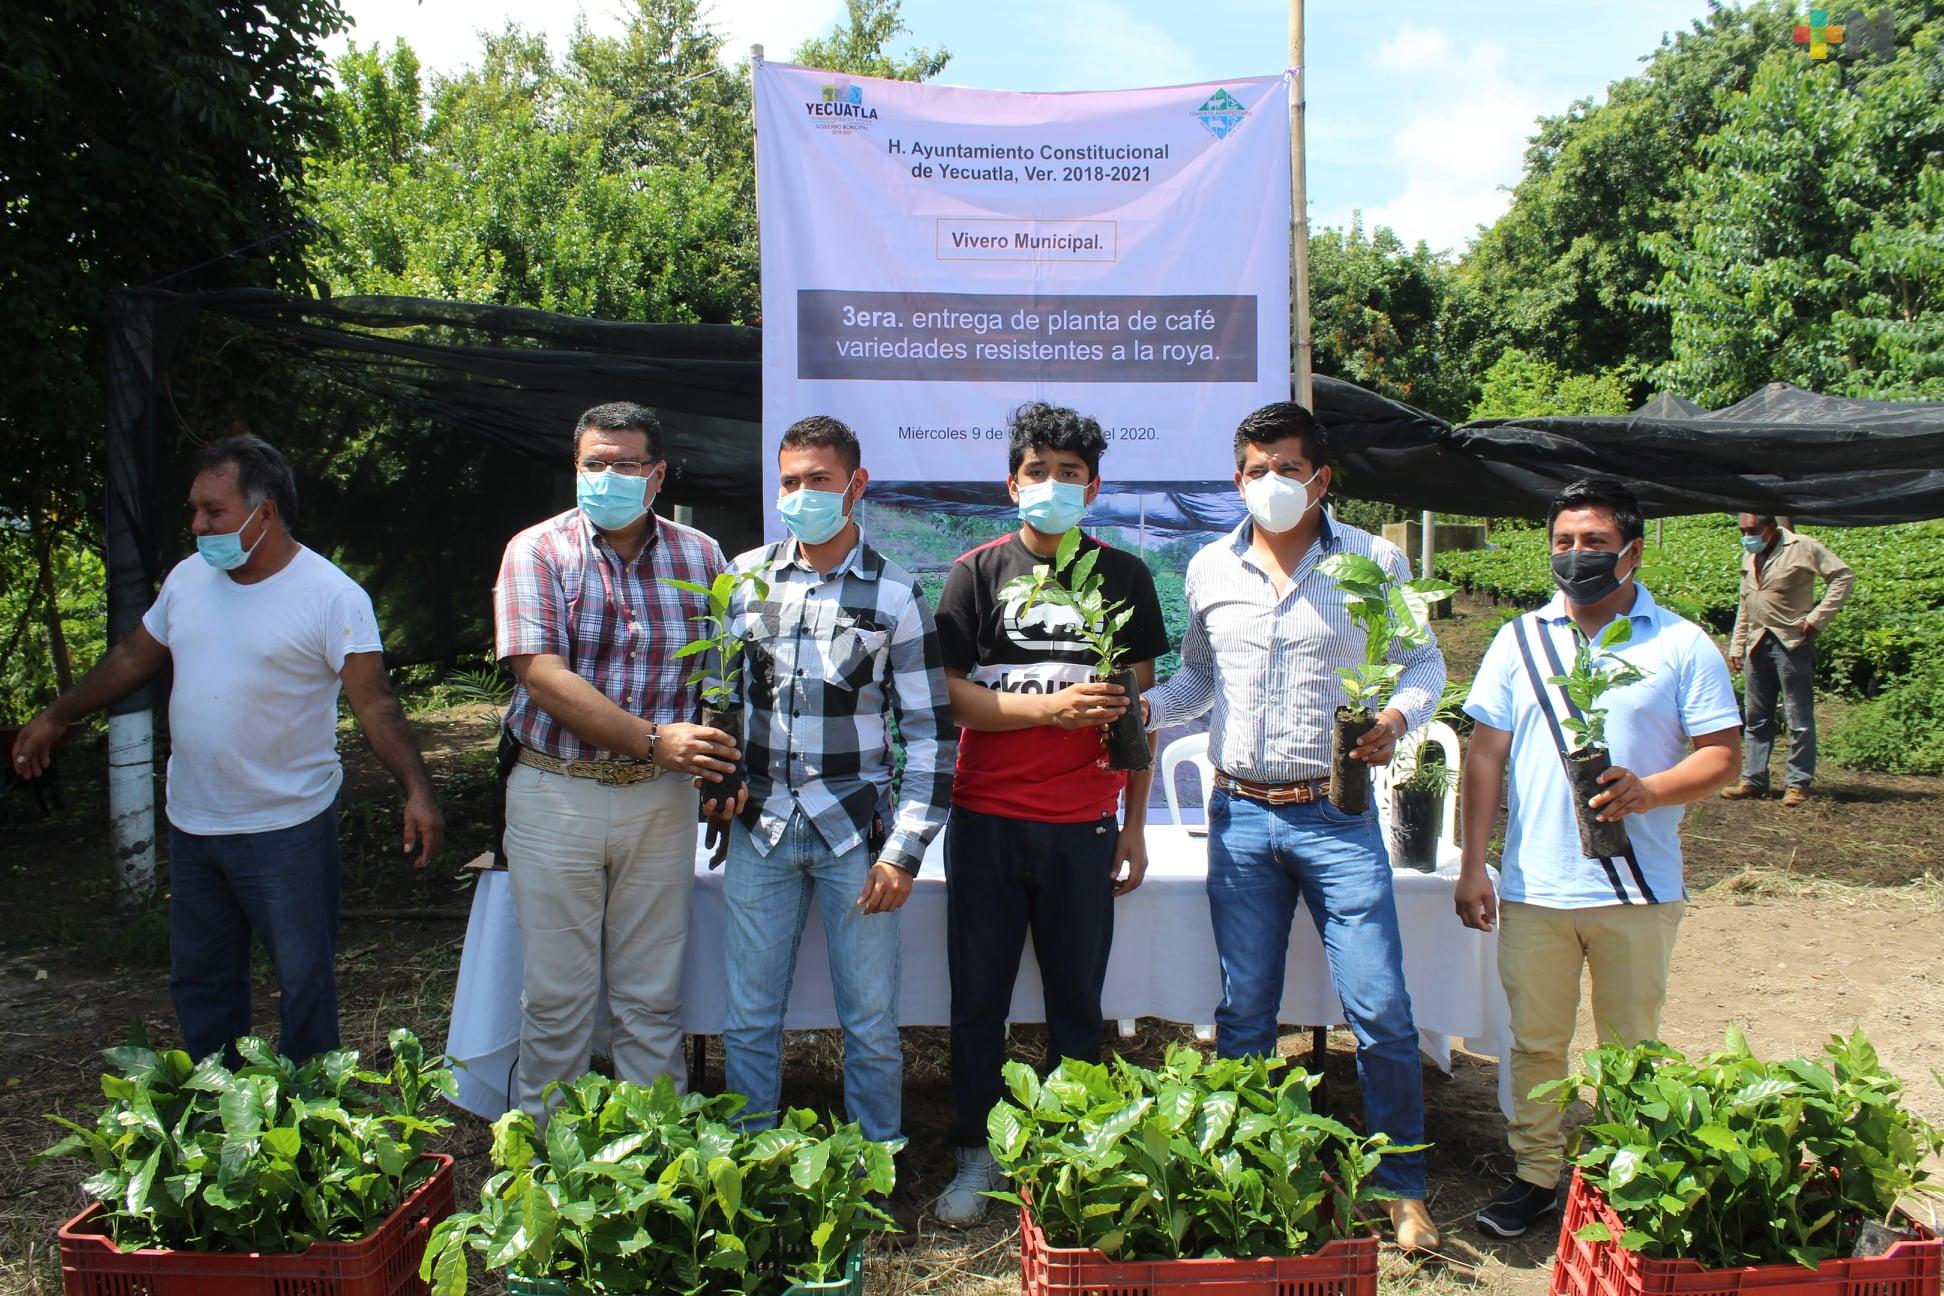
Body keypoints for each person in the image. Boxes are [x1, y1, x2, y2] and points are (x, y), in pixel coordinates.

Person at [12, 435, 443, 1064]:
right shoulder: (190, 579)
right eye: (194, 509)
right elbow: (136, 654)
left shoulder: (331, 595)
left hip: (286, 825)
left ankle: (309, 1121)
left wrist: (418, 790)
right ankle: (221, 1117)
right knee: (201, 982)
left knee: (303, 984)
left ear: (262, 514)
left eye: (212, 511)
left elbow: (374, 703)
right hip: (194, 821)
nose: (197, 525)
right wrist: (59, 714)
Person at [1143, 400, 1444, 1250]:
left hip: (1337, 815)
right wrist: (1136, 709)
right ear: (1236, 477)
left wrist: (1396, 716)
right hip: (1238, 817)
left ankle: (1403, 1185)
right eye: (1253, 469)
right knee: (1244, 1016)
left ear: (1322, 478)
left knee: (1380, 1007)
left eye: (1285, 468)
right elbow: (1195, 682)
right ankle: (1246, 1173)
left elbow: (1421, 659)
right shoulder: (1209, 567)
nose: (1268, 483)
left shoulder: (1373, 561)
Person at [1455, 477, 1741, 1239]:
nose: (1576, 556)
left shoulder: (1681, 644)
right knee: (1536, 1042)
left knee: (1632, 1047)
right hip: (1539, 887)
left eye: (1595, 544)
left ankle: (1625, 1174)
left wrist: (1649, 791)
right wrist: (1473, 863)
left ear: (1632, 552)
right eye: (1564, 543)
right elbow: (1485, 755)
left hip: (1638, 889)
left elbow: (1723, 758)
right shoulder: (1519, 639)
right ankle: (1535, 1176)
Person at [931, 401, 1170, 1227]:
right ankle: (975, 1151)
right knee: (978, 1002)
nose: (1054, 486)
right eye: (1039, 472)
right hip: (987, 817)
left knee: (1077, 999)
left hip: (1082, 826)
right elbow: (952, 699)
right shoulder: (974, 573)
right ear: (1013, 483)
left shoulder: (1125, 577)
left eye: (1071, 475)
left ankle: (1076, 1156)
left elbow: (1139, 717)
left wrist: (1134, 825)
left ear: (1094, 488)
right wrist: (1050, 709)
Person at [710, 415, 955, 1174]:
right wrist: (717, 787)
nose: (803, 494)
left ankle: (872, 1168)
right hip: (763, 831)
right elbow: (717, 702)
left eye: (819, 480)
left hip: (859, 838)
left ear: (857, 485)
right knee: (750, 1020)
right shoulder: (742, 580)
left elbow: (931, 735)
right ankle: (750, 1174)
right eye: (790, 481)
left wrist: (906, 851)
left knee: (872, 1021)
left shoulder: (896, 590)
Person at [493, 401, 739, 1119]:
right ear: (575, 469)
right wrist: (653, 740)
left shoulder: (702, 557)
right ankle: (545, 1157)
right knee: (558, 996)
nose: (606, 477)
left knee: (651, 995)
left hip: (660, 802)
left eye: (624, 464)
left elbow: (719, 678)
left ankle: (654, 1158)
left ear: (656, 475)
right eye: (592, 464)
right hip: (556, 791)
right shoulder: (536, 550)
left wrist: (722, 767)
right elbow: (539, 672)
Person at [1721, 514, 1852, 806]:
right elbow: (1746, 601)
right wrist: (1737, 644)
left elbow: (1843, 576)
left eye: (1752, 530)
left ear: (1770, 528)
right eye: (1742, 530)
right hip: (1757, 641)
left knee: (1798, 718)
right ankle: (1754, 780)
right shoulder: (1749, 554)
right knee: (1756, 717)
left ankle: (1797, 783)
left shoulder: (1802, 546)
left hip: (1791, 641)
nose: (1746, 535)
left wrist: (1818, 618)